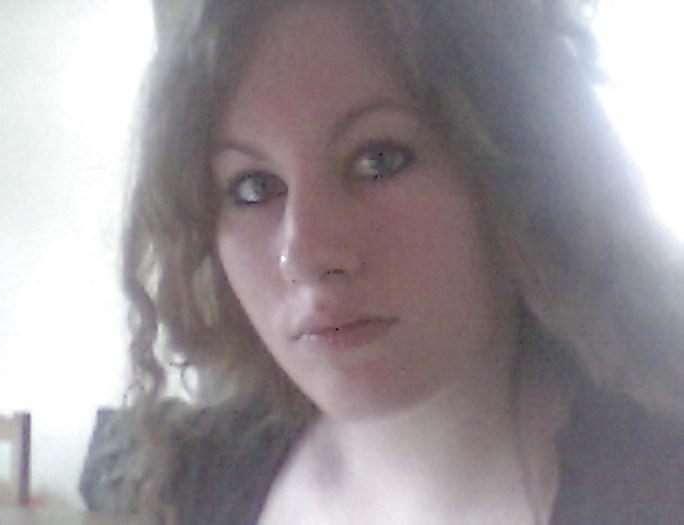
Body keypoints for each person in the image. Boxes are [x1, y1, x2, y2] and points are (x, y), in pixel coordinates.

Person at [122, 0, 684, 523]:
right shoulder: (199, 477)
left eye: (379, 159)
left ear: (518, 170)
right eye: (254, 188)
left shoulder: (656, 479)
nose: (306, 254)